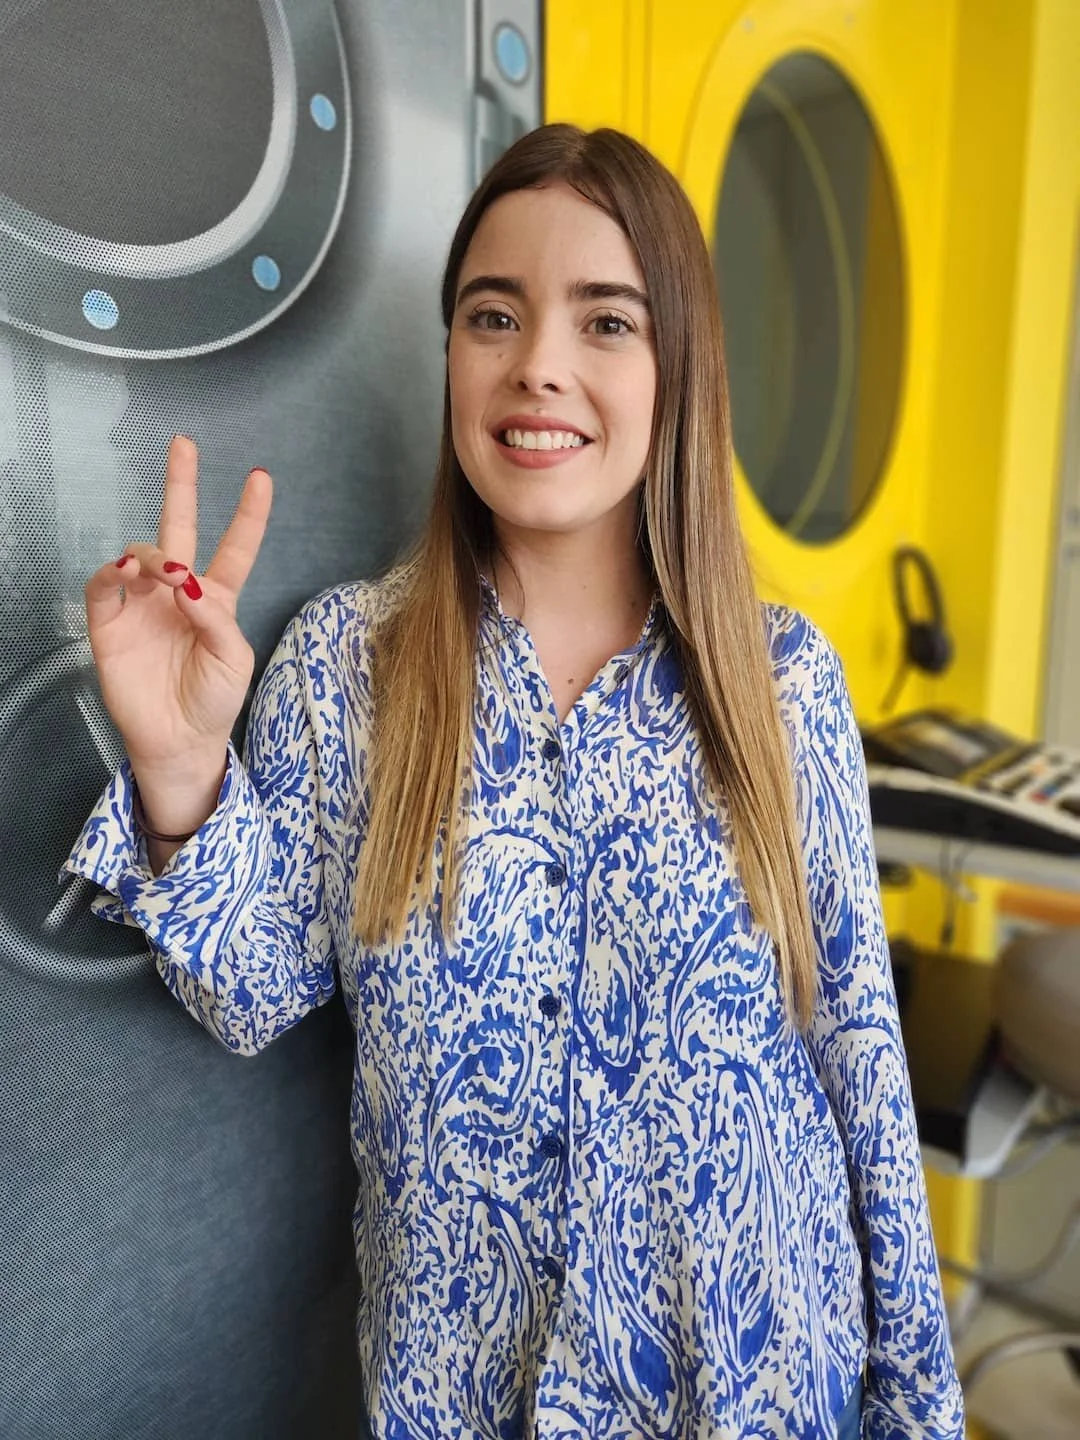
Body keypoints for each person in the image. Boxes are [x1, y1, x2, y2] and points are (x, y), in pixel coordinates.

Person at [67, 124, 964, 1439]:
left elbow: (866, 1086)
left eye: (607, 322)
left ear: (679, 368)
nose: (537, 365)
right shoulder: (344, 671)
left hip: (765, 1396)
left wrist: (920, 1410)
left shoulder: (781, 682)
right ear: (451, 356)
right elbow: (250, 991)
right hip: (462, 1398)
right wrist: (178, 767)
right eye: (495, 314)